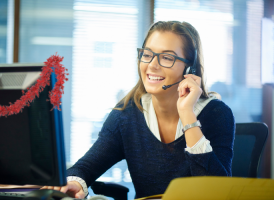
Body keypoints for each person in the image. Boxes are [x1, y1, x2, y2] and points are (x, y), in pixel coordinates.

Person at [41, 21, 235, 199]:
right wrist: (74, 182)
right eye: (147, 54)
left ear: (189, 69)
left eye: (167, 57)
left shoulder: (217, 115)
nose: (152, 65)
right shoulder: (127, 114)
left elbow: (217, 193)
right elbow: (85, 167)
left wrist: (187, 115)